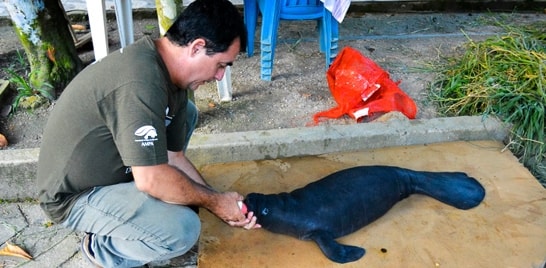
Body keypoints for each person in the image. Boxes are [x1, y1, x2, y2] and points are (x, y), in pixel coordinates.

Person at [36, 0, 260, 266]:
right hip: (73, 197)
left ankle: (135, 211)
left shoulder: (169, 75)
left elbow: (173, 157)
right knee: (181, 230)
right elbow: (151, 179)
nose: (220, 76)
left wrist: (217, 201)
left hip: (113, 173)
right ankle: (103, 247)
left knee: (187, 114)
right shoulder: (140, 81)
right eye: (221, 65)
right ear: (197, 47)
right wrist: (214, 202)